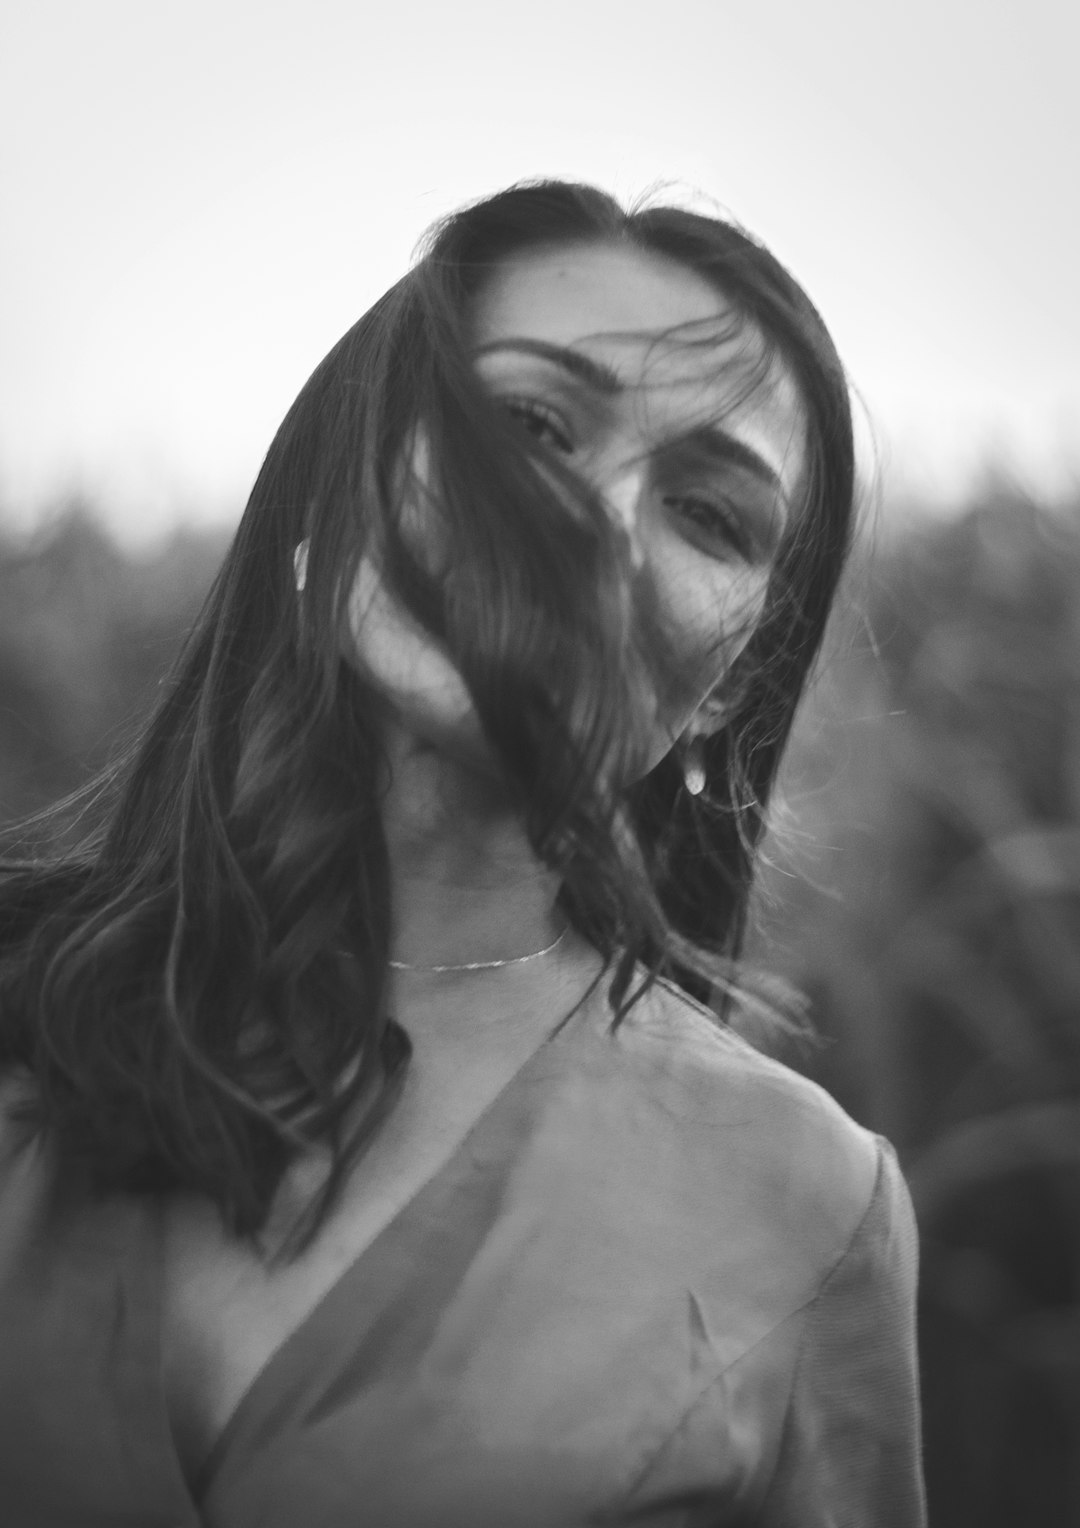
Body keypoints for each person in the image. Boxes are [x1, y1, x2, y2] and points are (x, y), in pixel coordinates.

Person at [0, 180, 925, 1527]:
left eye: (710, 514)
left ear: (729, 688)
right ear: (353, 477)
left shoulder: (811, 1206)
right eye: (534, 422)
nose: (594, 521)